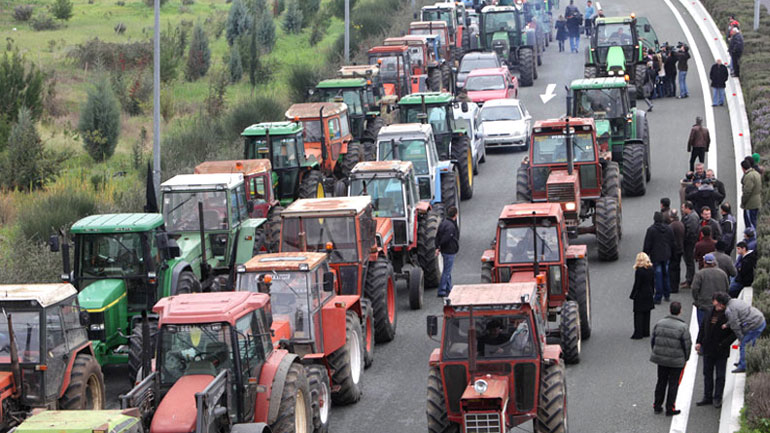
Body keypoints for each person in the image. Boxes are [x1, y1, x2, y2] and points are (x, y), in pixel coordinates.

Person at [651, 301, 691, 416]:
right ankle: (670, 408)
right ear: (680, 311)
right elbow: (687, 345)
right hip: (676, 361)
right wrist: (685, 359)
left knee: (661, 382)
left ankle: (657, 405)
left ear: (670, 310)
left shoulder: (660, 323)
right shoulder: (683, 327)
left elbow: (653, 340)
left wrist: (656, 352)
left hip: (661, 359)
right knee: (673, 384)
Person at [695, 293, 735, 408]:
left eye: (716, 301)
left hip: (721, 350)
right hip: (708, 348)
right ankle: (707, 396)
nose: (714, 303)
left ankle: (717, 397)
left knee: (720, 375)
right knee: (707, 373)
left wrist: (723, 344)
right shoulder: (709, 311)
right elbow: (703, 327)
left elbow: (734, 333)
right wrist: (699, 342)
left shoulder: (729, 314)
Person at [714, 292, 766, 373]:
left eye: (716, 305)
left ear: (721, 304)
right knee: (749, 343)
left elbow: (736, 327)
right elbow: (735, 317)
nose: (716, 308)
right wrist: (727, 324)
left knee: (744, 344)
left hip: (755, 325)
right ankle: (743, 361)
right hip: (758, 320)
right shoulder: (734, 301)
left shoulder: (729, 310)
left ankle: (743, 366)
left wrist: (740, 338)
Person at [643, 212, 676, 304]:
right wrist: (672, 254)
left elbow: (647, 244)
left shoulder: (651, 230)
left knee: (658, 276)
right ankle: (667, 294)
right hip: (666, 255)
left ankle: (658, 297)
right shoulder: (669, 229)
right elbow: (672, 242)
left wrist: (645, 255)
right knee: (666, 274)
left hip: (656, 256)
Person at [692, 253, 730, 327]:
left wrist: (697, 299)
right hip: (718, 305)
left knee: (702, 326)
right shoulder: (722, 273)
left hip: (704, 305)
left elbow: (694, 289)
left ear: (704, 262)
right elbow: (727, 288)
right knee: (716, 326)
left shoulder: (700, 274)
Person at [436, 206, 459, 297]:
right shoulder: (451, 226)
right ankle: (442, 290)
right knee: (447, 271)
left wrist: (437, 247)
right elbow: (447, 238)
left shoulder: (443, 223)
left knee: (447, 270)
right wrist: (440, 246)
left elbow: (438, 236)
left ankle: (449, 288)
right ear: (455, 215)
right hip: (449, 251)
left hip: (445, 251)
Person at [631, 252, 655, 339]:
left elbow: (637, 284)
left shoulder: (639, 271)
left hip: (640, 294)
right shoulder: (651, 269)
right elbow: (652, 282)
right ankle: (646, 331)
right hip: (649, 293)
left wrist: (633, 294)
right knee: (647, 313)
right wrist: (652, 291)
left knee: (638, 314)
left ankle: (638, 333)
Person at [681, 201, 700, 289]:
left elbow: (691, 231)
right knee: (688, 261)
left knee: (689, 261)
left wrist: (684, 239)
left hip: (689, 243)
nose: (682, 209)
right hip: (689, 242)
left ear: (687, 208)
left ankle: (690, 280)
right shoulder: (691, 216)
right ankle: (688, 278)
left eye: (683, 207)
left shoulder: (692, 218)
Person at [740, 158, 761, 231]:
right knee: (754, 220)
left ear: (743, 168)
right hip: (757, 201)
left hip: (750, 204)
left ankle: (751, 239)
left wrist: (743, 202)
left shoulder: (749, 176)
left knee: (750, 223)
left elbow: (747, 191)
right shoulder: (756, 173)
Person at [669, 209, 685, 293]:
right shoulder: (681, 224)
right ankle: (677, 283)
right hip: (680, 249)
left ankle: (673, 287)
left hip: (674, 250)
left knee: (672, 269)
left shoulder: (671, 226)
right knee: (677, 267)